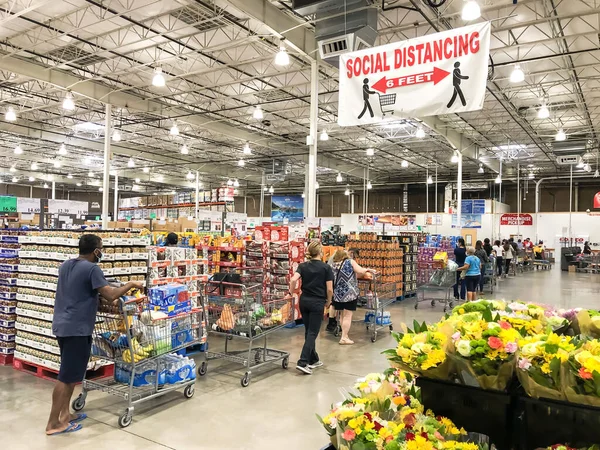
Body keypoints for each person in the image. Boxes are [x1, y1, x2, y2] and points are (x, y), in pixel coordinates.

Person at [46, 234, 144, 436]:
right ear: (96, 251)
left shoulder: (66, 265)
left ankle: (65, 415)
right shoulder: (92, 268)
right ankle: (53, 423)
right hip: (77, 329)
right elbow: (110, 294)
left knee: (71, 374)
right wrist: (131, 284)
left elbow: (80, 292)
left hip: (62, 325)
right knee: (65, 377)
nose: (102, 252)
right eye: (101, 248)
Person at [289, 242, 334, 375]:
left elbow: (293, 280)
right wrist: (329, 301)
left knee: (309, 331)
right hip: (317, 302)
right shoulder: (326, 268)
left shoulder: (303, 266)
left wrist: (290, 293)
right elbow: (330, 289)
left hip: (304, 301)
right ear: (320, 252)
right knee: (313, 333)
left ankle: (313, 359)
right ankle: (303, 362)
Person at [329, 249, 374, 345]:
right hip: (349, 294)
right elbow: (360, 271)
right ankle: (344, 337)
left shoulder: (333, 265)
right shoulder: (350, 262)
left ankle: (344, 335)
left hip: (338, 294)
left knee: (342, 315)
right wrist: (367, 269)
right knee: (348, 316)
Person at [326, 248, 359, 332]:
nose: (353, 258)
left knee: (335, 306)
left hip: (334, 283)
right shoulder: (343, 258)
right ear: (351, 252)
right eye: (354, 256)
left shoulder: (338, 256)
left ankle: (332, 323)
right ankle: (332, 323)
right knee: (334, 305)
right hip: (336, 284)